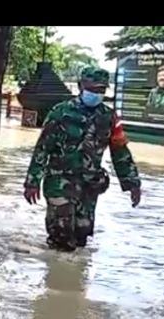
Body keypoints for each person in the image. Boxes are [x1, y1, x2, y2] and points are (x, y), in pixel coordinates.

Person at [24, 67, 142, 252]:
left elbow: (120, 152)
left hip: (89, 185)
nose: (97, 94)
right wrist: (32, 182)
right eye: (93, 89)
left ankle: (74, 278)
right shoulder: (60, 112)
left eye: (101, 90)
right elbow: (42, 149)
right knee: (61, 236)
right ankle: (56, 277)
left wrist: (132, 183)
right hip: (59, 182)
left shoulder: (109, 117)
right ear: (81, 86)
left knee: (81, 236)